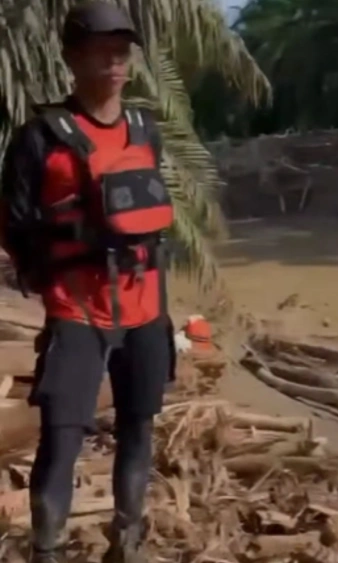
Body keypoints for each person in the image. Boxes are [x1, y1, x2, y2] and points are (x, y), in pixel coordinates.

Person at [0, 2, 176, 561]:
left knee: (138, 426)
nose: (115, 60)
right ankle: (46, 550)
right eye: (101, 49)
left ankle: (127, 541)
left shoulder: (146, 128)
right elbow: (13, 221)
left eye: (122, 49)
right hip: (78, 310)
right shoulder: (40, 136)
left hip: (147, 305)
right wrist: (49, 271)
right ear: (72, 57)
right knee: (62, 437)